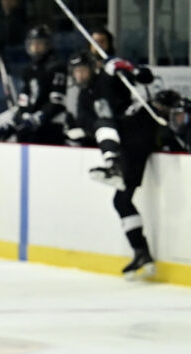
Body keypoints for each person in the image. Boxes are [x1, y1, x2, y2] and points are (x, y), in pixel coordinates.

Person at [66, 51, 179, 279]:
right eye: (76, 72)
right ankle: (141, 252)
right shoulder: (83, 98)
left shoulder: (106, 79)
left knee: (104, 123)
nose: (80, 75)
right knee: (121, 200)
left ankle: (112, 164)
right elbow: (87, 123)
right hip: (127, 143)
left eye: (83, 70)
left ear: (92, 68)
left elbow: (143, 76)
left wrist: (124, 68)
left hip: (139, 129)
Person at [0, 25, 67, 145]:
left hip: (51, 126)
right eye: (33, 43)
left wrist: (37, 118)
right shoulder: (29, 69)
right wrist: (12, 124)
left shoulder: (56, 67)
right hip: (32, 127)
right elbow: (24, 101)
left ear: (47, 45)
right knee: (21, 135)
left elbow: (57, 103)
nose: (35, 47)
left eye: (39, 43)